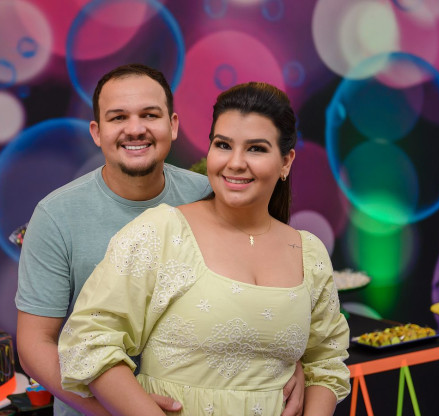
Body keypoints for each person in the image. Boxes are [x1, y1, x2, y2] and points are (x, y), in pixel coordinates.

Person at [16, 65, 306, 416]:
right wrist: (120, 407)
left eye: (150, 115)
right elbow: (34, 344)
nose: (135, 128)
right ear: (97, 132)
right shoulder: (56, 216)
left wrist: (288, 358)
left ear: (173, 125)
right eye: (118, 117)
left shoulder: (210, 194)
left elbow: (261, 286)